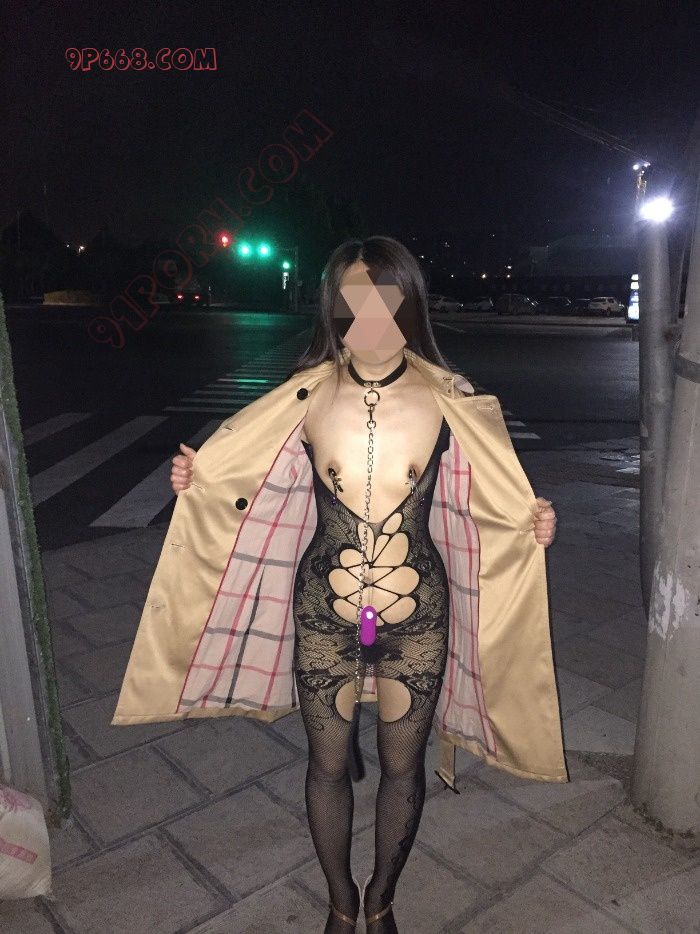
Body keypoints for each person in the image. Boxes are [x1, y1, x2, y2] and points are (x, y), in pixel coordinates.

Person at [170, 236, 557, 933]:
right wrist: (197, 480)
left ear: (411, 305)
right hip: (324, 608)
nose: (372, 317)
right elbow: (245, 475)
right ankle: (340, 901)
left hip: (419, 612)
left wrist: (533, 524)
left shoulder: (451, 398)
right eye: (356, 301)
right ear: (334, 308)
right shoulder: (305, 394)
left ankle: (381, 898)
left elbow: (493, 499)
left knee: (401, 767)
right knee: (325, 765)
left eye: (387, 300)